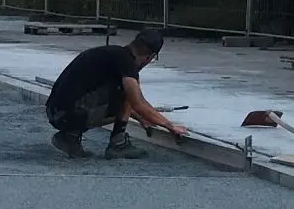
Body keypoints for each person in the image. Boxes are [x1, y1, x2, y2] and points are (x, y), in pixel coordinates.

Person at [44, 28, 187, 159]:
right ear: (149, 57)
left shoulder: (114, 55)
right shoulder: (126, 63)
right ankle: (118, 144)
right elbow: (138, 103)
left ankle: (70, 137)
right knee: (128, 91)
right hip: (68, 115)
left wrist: (141, 117)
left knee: (126, 91)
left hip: (55, 112)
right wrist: (169, 126)